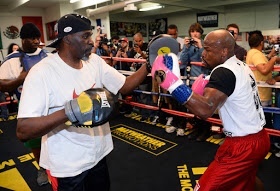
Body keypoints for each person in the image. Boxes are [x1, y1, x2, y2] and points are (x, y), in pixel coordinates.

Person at [16, 13, 150, 191]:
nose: (91, 41)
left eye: (91, 35)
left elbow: (124, 86)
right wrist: (70, 111)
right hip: (68, 166)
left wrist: (149, 64)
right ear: (68, 39)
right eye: (85, 36)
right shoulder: (42, 72)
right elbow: (23, 129)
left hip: (98, 155)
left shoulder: (94, 62)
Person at [152, 29, 270, 191]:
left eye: (208, 50)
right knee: (248, 181)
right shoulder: (240, 65)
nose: (203, 54)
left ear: (224, 51)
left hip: (243, 146)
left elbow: (205, 110)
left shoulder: (223, 72)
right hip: (259, 138)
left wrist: (171, 83)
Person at [0, 23, 49, 186]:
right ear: (23, 39)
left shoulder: (46, 56)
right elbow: (1, 84)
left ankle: (56, 165)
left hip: (50, 103)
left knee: (54, 137)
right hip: (28, 105)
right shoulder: (12, 60)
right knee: (35, 141)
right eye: (32, 38)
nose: (36, 41)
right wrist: (20, 79)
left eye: (38, 38)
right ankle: (42, 168)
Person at [180, 22, 212, 141]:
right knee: (193, 107)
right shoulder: (188, 46)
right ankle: (196, 129)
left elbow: (206, 60)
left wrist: (200, 46)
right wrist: (185, 47)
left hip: (203, 80)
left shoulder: (206, 45)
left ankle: (205, 130)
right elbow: (182, 61)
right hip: (190, 80)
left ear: (201, 34)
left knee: (203, 106)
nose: (195, 33)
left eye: (197, 31)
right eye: (193, 31)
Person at [246, 30, 280, 129]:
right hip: (262, 96)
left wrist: (270, 55)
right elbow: (264, 69)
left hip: (261, 94)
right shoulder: (256, 54)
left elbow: (262, 62)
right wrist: (274, 59)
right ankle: (268, 143)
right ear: (261, 42)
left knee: (264, 123)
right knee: (265, 124)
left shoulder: (252, 52)